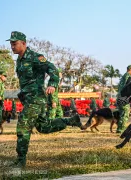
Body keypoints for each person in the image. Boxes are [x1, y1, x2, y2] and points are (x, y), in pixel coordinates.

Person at [7, 31, 82, 168]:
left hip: (36, 98)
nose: (12, 46)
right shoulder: (20, 59)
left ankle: (21, 160)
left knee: (23, 125)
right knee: (43, 127)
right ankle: (70, 120)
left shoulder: (35, 57)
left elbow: (51, 68)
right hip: (28, 98)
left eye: (15, 43)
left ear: (23, 43)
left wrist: (52, 84)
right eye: (11, 44)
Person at [116, 65, 131, 133]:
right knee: (125, 113)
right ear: (130, 69)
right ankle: (122, 129)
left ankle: (119, 128)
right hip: (124, 98)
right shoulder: (128, 76)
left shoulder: (123, 76)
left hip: (120, 97)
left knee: (121, 113)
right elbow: (129, 87)